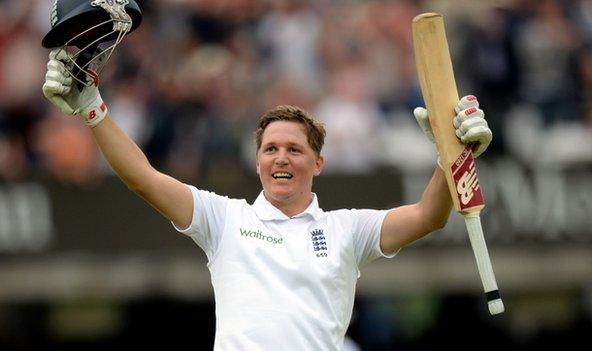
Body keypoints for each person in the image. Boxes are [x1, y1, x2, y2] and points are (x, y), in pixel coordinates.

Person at [42, 48, 492, 349]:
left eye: (295, 150)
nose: (281, 158)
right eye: (270, 149)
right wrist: (92, 107)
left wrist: (448, 154)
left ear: (318, 163)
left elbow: (429, 216)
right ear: (257, 161)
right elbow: (143, 177)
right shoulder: (224, 219)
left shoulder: (346, 229)